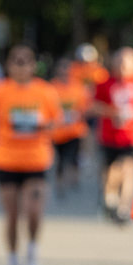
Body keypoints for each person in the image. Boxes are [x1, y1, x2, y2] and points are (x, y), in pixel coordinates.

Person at [0, 45, 60, 265]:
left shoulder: (45, 92)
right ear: (9, 65)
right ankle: (13, 259)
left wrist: (41, 125)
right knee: (12, 215)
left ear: (33, 65)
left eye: (26, 61)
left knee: (33, 212)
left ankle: (32, 250)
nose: (21, 65)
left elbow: (58, 123)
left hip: (36, 160)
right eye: (16, 61)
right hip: (6, 160)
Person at [92, 46, 133, 225]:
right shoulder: (105, 83)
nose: (122, 68)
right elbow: (94, 106)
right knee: (110, 171)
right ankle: (110, 196)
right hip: (109, 136)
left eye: (126, 64)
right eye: (119, 63)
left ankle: (124, 207)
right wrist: (112, 113)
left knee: (128, 168)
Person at [50, 56, 91, 198]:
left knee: (73, 158)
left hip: (75, 131)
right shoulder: (52, 87)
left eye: (67, 68)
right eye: (61, 68)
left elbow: (85, 107)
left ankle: (74, 179)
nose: (64, 71)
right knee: (61, 159)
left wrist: (78, 114)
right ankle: (59, 184)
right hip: (58, 132)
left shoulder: (78, 87)